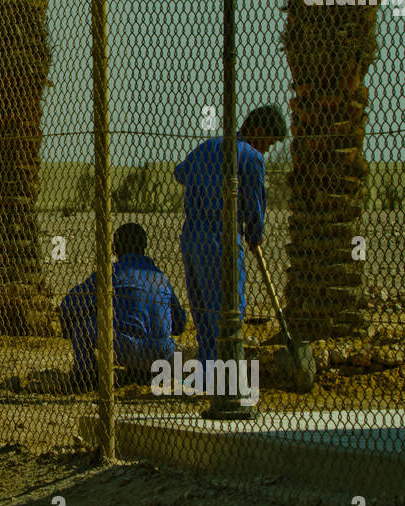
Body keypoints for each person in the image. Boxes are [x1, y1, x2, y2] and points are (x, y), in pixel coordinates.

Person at [174, 104, 287, 366]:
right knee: (228, 309)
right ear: (258, 131)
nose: (266, 150)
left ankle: (208, 368)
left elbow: (180, 172)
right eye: (267, 143)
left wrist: (204, 179)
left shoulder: (207, 147)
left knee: (202, 308)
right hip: (220, 237)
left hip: (191, 235)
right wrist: (255, 233)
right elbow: (255, 203)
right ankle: (226, 375)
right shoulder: (251, 157)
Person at [58, 223, 186, 391]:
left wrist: (94, 309)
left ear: (115, 248)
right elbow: (180, 324)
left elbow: (68, 304)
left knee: (81, 326)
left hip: (125, 348)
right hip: (161, 351)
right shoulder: (159, 276)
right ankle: (141, 373)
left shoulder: (113, 272)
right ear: (144, 247)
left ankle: (85, 375)